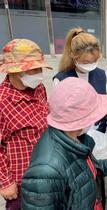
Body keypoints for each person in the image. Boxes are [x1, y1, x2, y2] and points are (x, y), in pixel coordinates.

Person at [21, 77, 107, 210]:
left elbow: (79, 169)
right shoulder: (45, 171)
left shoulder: (76, 138)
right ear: (79, 120)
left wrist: (106, 166)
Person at [0, 39, 53, 209]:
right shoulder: (3, 102)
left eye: (40, 68)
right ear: (15, 71)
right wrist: (5, 182)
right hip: (22, 181)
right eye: (34, 69)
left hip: (46, 171)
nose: (39, 73)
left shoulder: (39, 88)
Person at [53, 28, 107, 133]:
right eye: (85, 62)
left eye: (95, 60)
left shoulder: (102, 75)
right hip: (74, 136)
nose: (90, 65)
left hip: (99, 132)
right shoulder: (61, 80)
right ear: (73, 56)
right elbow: (61, 113)